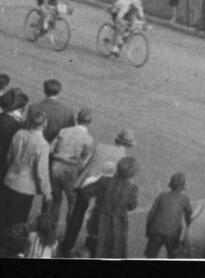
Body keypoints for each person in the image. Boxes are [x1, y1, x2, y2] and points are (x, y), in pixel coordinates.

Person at [59, 128, 134, 257]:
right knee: (95, 223)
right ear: (129, 145)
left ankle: (67, 246)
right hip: (102, 192)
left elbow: (84, 163)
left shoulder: (100, 147)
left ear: (117, 140)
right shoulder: (124, 159)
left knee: (76, 218)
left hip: (86, 185)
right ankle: (89, 249)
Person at [0, 110, 51, 231]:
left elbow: (9, 156)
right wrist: (46, 191)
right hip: (25, 188)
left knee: (3, 219)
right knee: (17, 222)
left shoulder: (20, 133)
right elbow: (41, 172)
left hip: (10, 179)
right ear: (44, 124)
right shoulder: (43, 144)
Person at [84, 156, 140, 259]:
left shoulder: (103, 180)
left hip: (99, 219)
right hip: (117, 222)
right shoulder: (132, 188)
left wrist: (95, 202)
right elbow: (131, 206)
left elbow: (87, 191)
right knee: (114, 248)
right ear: (132, 174)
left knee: (95, 246)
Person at [48, 107, 95, 227]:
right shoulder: (88, 139)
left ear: (77, 119)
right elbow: (85, 161)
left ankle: (50, 228)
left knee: (55, 200)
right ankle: (67, 231)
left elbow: (51, 149)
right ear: (90, 123)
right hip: (71, 169)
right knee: (72, 203)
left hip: (56, 166)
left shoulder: (64, 131)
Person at [145, 172, 193, 259]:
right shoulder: (184, 199)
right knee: (173, 257)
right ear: (183, 187)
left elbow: (151, 214)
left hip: (156, 231)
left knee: (151, 257)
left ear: (170, 185)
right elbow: (189, 219)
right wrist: (188, 236)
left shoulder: (161, 196)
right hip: (172, 234)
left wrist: (148, 231)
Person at [28, 79, 75, 144]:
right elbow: (70, 133)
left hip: (36, 145)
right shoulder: (68, 110)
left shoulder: (34, 108)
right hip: (56, 148)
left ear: (44, 91)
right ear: (59, 91)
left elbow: (27, 129)